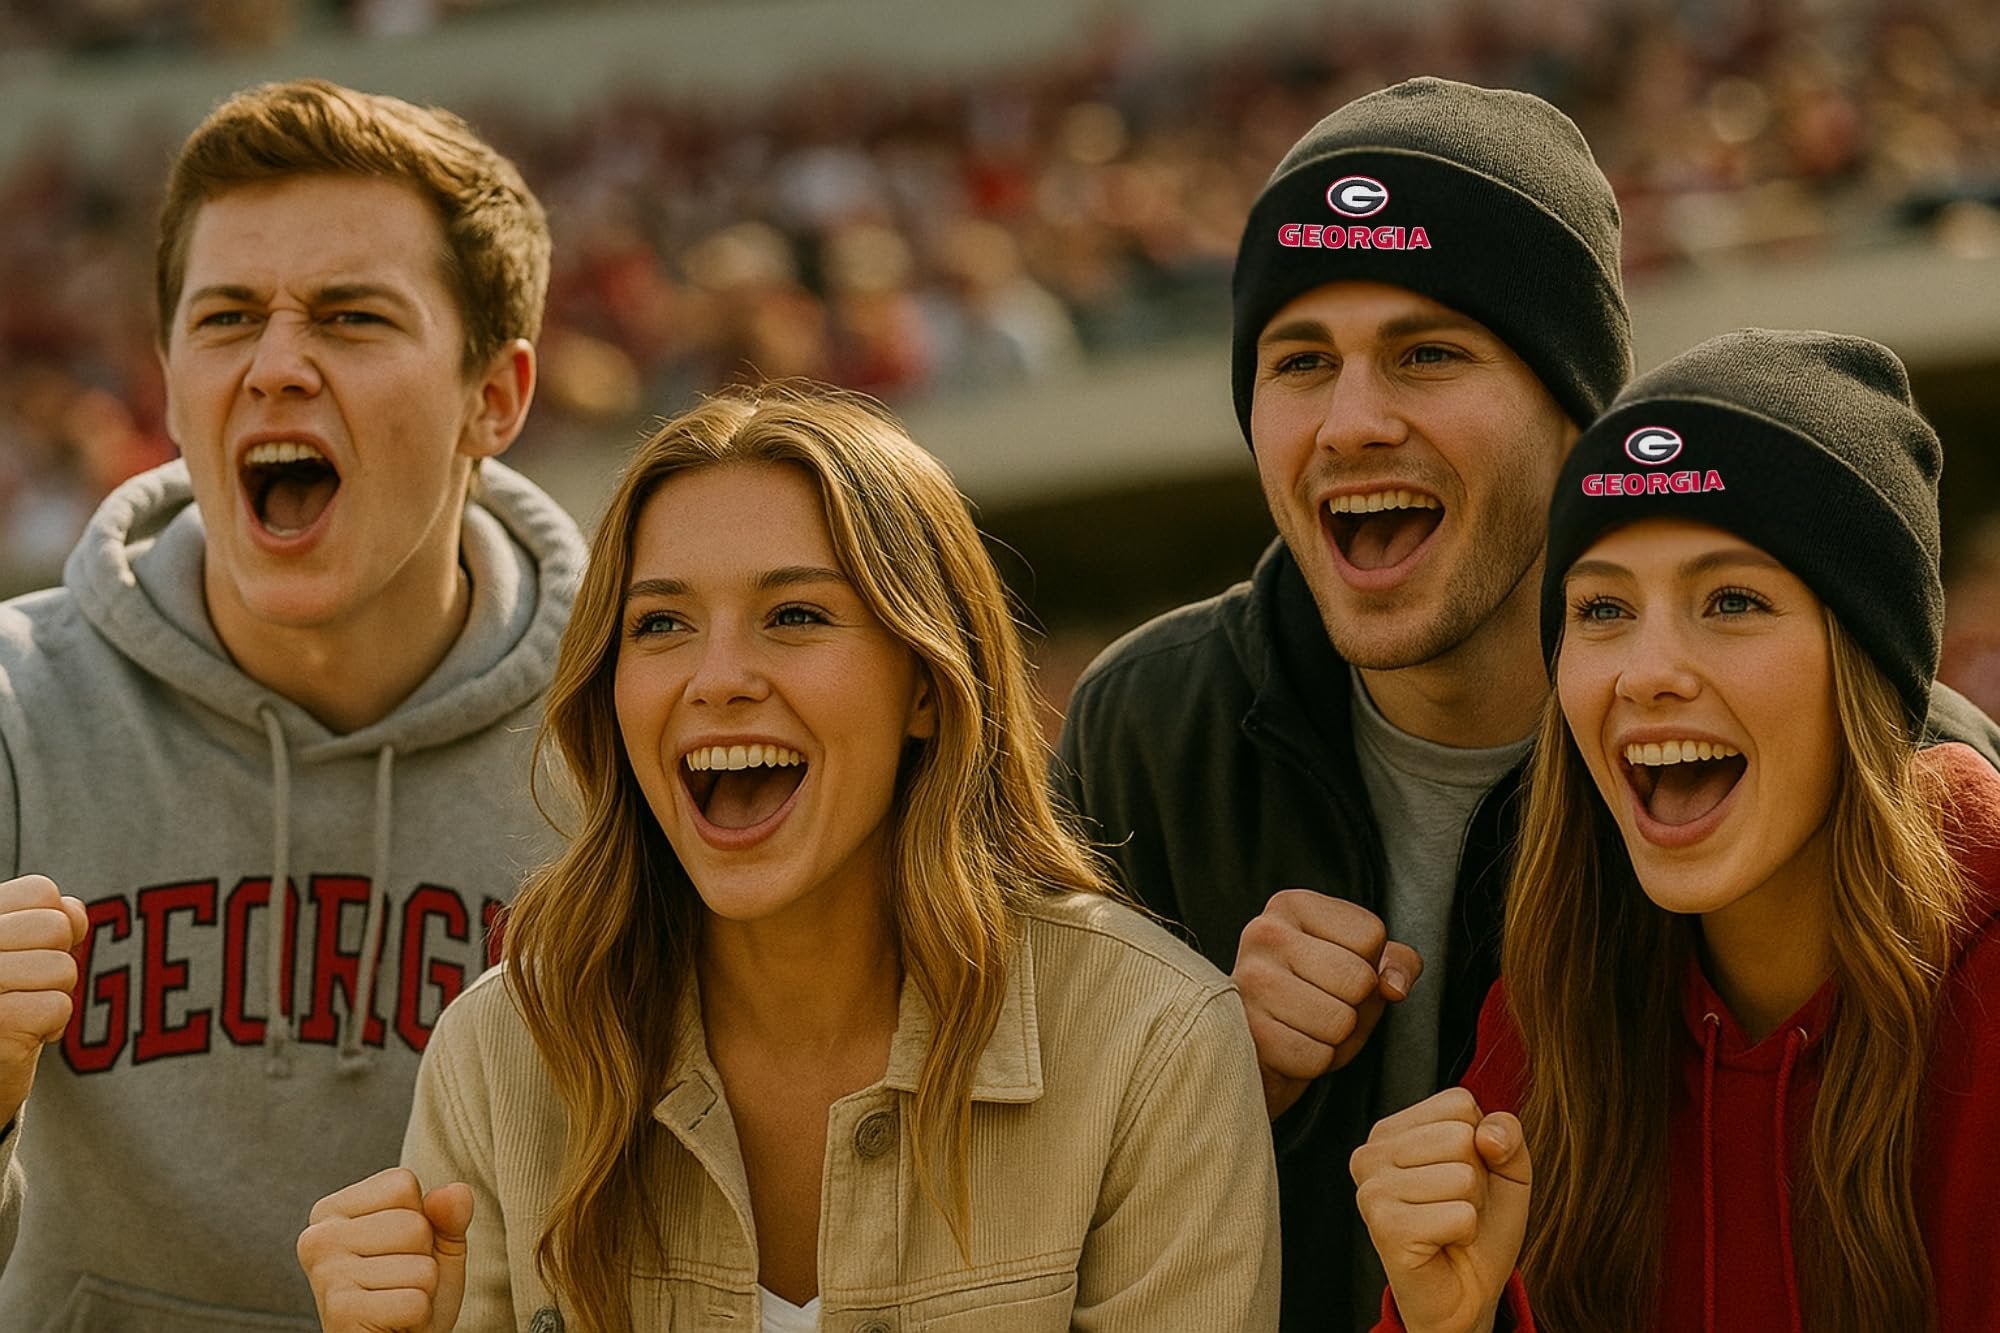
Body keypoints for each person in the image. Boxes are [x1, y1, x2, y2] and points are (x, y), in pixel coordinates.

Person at [295, 386, 1281, 1332]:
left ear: (928, 687)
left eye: (796, 615)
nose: (717, 677)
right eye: (661, 625)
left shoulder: (1154, 1045)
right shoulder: (505, 1053)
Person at [0, 80, 583, 1326]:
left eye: (350, 317)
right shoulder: (12, 715)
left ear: (496, 396)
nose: (274, 367)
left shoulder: (629, 740)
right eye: (225, 319)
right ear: (166, 381)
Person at [1054, 76, 1632, 1328]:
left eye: (1427, 352)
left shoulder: (1803, 739)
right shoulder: (1144, 734)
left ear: (1577, 409)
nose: (1352, 423)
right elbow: (994, 1226)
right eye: (1300, 361)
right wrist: (1198, 1080)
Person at [1351, 330, 2000, 1333]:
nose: (1642, 670)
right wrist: (1447, 1324)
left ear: (1865, 661)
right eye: (1601, 608)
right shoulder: (1547, 1021)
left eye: (1729, 600)